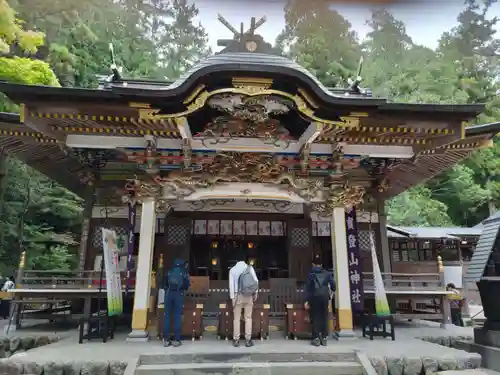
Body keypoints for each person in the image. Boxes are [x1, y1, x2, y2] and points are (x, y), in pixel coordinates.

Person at [304, 255, 335, 347]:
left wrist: (306, 300)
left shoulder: (311, 274)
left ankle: (316, 338)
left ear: (313, 264)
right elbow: (334, 286)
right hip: (325, 297)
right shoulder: (328, 274)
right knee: (324, 316)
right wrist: (331, 293)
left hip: (315, 297)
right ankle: (324, 338)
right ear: (321, 264)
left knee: (315, 317)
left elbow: (308, 289)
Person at [229, 255, 259, 347]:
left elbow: (231, 285)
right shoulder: (249, 268)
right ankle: (248, 340)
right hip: (249, 295)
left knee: (236, 319)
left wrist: (232, 298)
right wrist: (256, 293)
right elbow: (256, 281)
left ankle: (236, 340)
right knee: (248, 318)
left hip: (238, 296)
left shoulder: (233, 270)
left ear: (236, 261)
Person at [163, 258, 190, 347]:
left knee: (167, 316)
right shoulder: (184, 273)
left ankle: (166, 340)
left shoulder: (169, 272)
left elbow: (164, 284)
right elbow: (186, 285)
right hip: (179, 294)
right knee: (177, 316)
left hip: (168, 294)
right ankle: (177, 340)